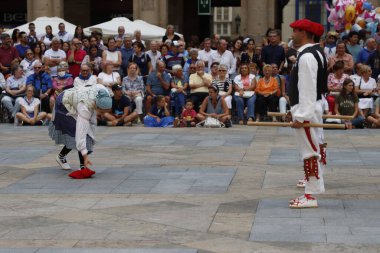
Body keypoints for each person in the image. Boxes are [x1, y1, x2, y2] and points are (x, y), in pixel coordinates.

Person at [287, 19, 327, 209]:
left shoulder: (307, 57)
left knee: (310, 152)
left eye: (295, 31)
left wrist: (301, 116)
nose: (292, 34)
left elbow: (307, 88)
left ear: (304, 33)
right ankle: (311, 191)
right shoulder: (316, 52)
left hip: (307, 110)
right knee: (314, 149)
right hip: (312, 107)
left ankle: (310, 196)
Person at [49, 84, 112, 179]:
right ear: (96, 105)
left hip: (76, 97)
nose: (103, 115)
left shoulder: (104, 92)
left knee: (87, 134)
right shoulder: (85, 108)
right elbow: (80, 135)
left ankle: (67, 158)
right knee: (77, 135)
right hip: (64, 104)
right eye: (102, 112)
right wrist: (85, 156)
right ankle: (81, 165)